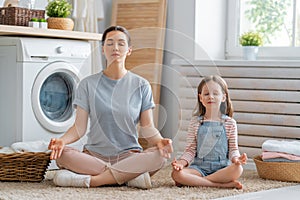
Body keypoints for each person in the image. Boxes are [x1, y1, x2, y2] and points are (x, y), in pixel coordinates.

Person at [48, 25, 173, 189]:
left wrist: (159, 141)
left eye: (121, 43)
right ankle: (129, 176)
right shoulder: (87, 84)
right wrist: (61, 141)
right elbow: (79, 128)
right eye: (110, 43)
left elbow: (148, 127)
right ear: (102, 49)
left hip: (129, 156)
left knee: (160, 156)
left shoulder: (141, 85)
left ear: (129, 50)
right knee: (62, 155)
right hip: (94, 157)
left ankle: (95, 180)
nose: (115, 47)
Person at [171, 75, 247, 189]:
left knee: (238, 169)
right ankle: (218, 184)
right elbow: (190, 150)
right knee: (176, 174)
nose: (210, 97)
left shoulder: (230, 123)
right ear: (200, 98)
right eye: (206, 94)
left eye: (215, 93)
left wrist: (236, 159)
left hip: (222, 169)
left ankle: (197, 182)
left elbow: (233, 149)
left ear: (223, 97)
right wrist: (181, 164)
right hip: (199, 169)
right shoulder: (195, 122)